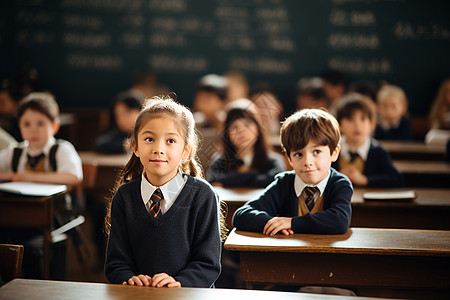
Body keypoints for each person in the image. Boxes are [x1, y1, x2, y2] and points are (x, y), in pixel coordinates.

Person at [104, 95, 224, 288]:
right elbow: (116, 262)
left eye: (170, 141)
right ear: (135, 147)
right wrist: (128, 277)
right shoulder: (124, 196)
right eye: (149, 139)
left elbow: (208, 264)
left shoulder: (202, 195)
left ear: (186, 151)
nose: (158, 149)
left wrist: (179, 282)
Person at [0, 92, 83, 278]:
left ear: (54, 125)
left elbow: (73, 177)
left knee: (32, 250)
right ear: (19, 125)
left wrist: (29, 177)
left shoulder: (61, 149)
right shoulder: (15, 152)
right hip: (15, 219)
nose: (33, 130)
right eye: (26, 124)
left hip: (52, 220)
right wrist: (13, 176)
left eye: (40, 123)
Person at [232, 108, 352, 235]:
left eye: (316, 152)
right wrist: (274, 223)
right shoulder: (284, 183)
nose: (307, 161)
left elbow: (339, 221)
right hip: (288, 254)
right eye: (299, 154)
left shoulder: (340, 184)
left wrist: (291, 223)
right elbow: (241, 215)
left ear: (334, 153)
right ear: (289, 159)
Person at [206, 99, 286, 188]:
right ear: (227, 133)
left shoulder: (273, 160)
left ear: (258, 128)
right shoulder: (220, 161)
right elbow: (211, 181)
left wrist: (229, 181)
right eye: (234, 127)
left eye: (247, 125)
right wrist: (255, 176)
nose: (241, 132)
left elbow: (275, 181)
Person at [332, 94, 404, 187]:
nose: (357, 125)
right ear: (339, 125)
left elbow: (397, 179)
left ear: (372, 124)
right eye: (350, 119)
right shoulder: (331, 149)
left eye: (362, 119)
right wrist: (335, 177)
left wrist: (365, 180)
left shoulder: (378, 151)